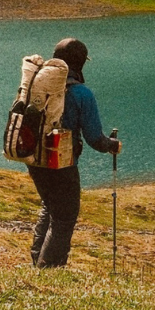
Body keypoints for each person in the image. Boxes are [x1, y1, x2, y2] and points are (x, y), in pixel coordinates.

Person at [28, 37, 120, 268]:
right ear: (80, 64)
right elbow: (95, 139)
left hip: (34, 158)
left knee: (50, 207)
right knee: (64, 217)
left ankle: (37, 261)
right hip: (61, 162)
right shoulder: (82, 94)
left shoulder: (37, 85)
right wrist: (112, 145)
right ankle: (47, 269)